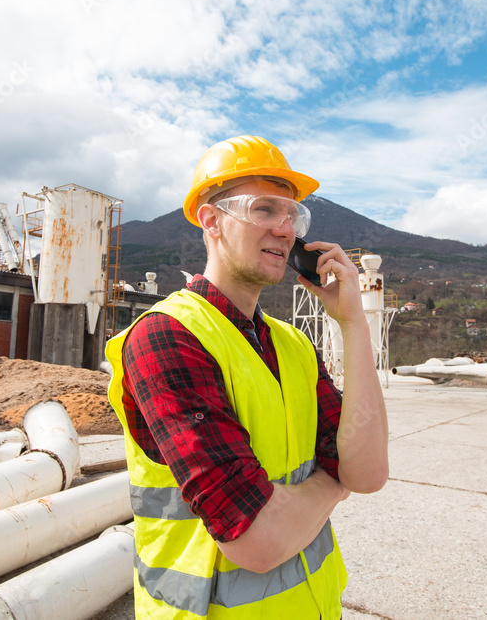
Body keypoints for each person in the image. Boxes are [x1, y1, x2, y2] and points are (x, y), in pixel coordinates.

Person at [106, 135, 389, 619]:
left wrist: (353, 323)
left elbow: (366, 472)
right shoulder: (167, 338)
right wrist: (330, 483)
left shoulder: (293, 344)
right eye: (264, 210)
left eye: (293, 214)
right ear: (210, 220)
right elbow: (257, 539)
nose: (285, 229)